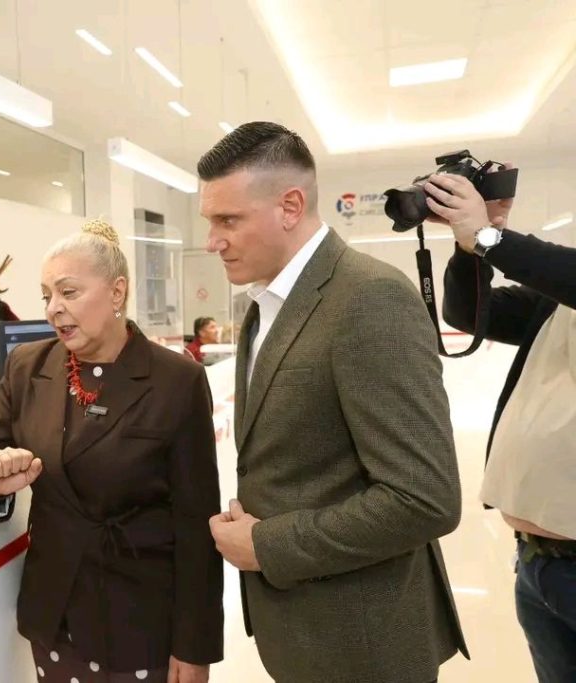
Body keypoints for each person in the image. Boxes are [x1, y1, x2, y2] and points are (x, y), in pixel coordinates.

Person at [201, 122, 467, 683]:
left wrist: (265, 544)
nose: (212, 241)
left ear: (290, 206)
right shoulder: (265, 306)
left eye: (228, 220)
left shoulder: (370, 298)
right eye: (210, 221)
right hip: (301, 635)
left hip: (362, 645)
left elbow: (425, 499)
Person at [0, 219, 223, 683]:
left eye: (69, 292)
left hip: (142, 618)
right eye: (46, 296)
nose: (53, 309)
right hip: (56, 614)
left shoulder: (176, 381)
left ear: (117, 292)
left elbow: (197, 523)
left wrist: (193, 646)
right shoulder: (28, 367)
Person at [430, 169, 576, 683]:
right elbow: (469, 313)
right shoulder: (557, 299)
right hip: (538, 563)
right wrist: (470, 245)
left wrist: (487, 236)